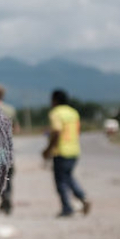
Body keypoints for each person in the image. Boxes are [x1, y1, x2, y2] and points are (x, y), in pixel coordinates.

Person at [43, 88, 91, 218]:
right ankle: (82, 197)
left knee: (61, 181)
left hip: (61, 151)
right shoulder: (74, 113)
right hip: (74, 150)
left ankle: (67, 207)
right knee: (68, 176)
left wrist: (48, 150)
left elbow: (57, 132)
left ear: (55, 100)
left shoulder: (56, 113)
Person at [0, 85, 18, 215]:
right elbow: (16, 129)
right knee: (8, 176)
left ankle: (1, 199)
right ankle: (7, 197)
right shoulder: (10, 110)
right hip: (7, 148)